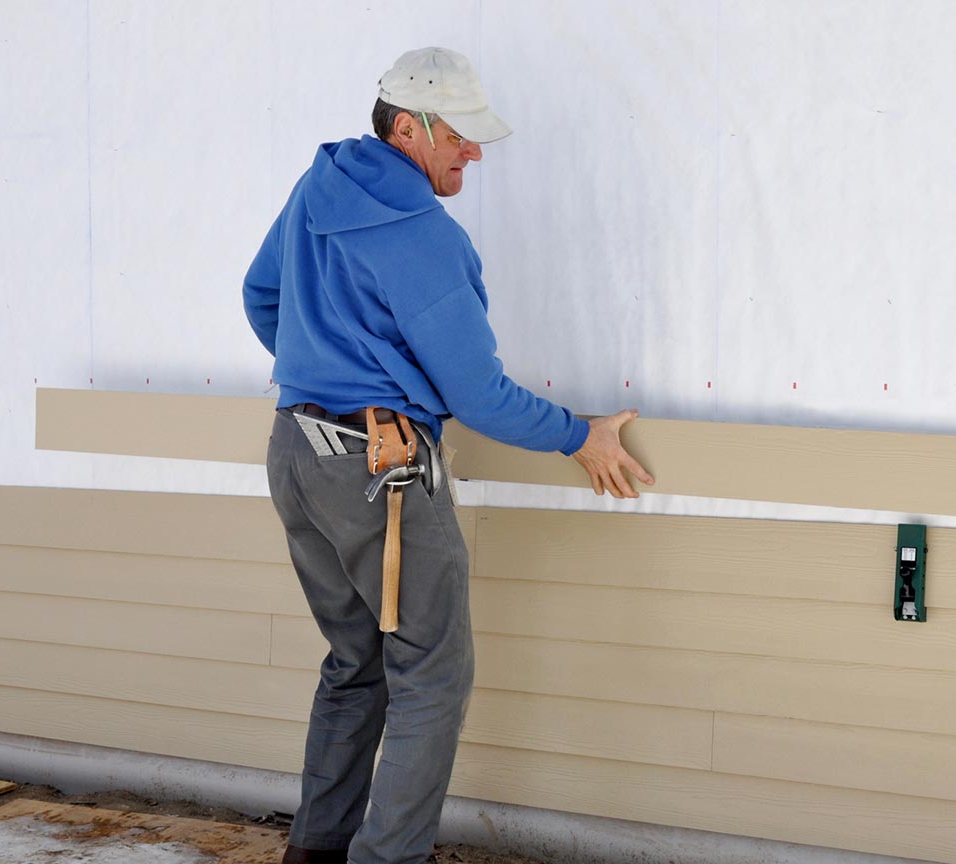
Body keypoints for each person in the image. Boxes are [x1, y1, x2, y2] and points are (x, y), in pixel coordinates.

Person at [242, 46, 653, 864]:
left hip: (294, 451)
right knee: (432, 677)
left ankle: (314, 854)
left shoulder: (315, 188)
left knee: (355, 665)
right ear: (407, 127)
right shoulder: (423, 236)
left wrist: (325, 372)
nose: (474, 151)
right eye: (460, 135)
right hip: (378, 471)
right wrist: (582, 435)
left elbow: (262, 298)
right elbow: (479, 394)